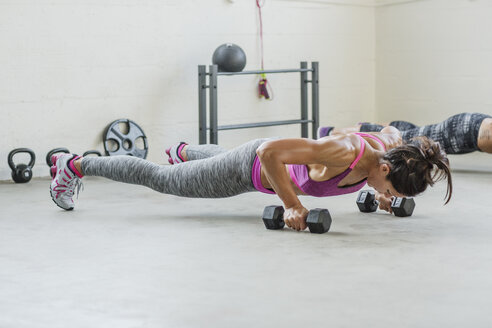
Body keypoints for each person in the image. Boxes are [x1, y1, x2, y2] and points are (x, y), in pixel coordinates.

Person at [50, 127, 453, 231]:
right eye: (389, 192)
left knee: (185, 164)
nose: (387, 197)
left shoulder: (394, 146)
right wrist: (293, 204)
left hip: (265, 161)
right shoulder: (345, 152)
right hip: (252, 169)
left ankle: (185, 151)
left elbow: (387, 129)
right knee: (161, 179)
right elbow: (269, 153)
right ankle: (74, 165)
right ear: (383, 168)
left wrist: (382, 194)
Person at [317, 112, 492, 154]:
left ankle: (367, 126)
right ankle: (331, 132)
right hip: (464, 131)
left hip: (469, 132)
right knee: (404, 140)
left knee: (409, 132)